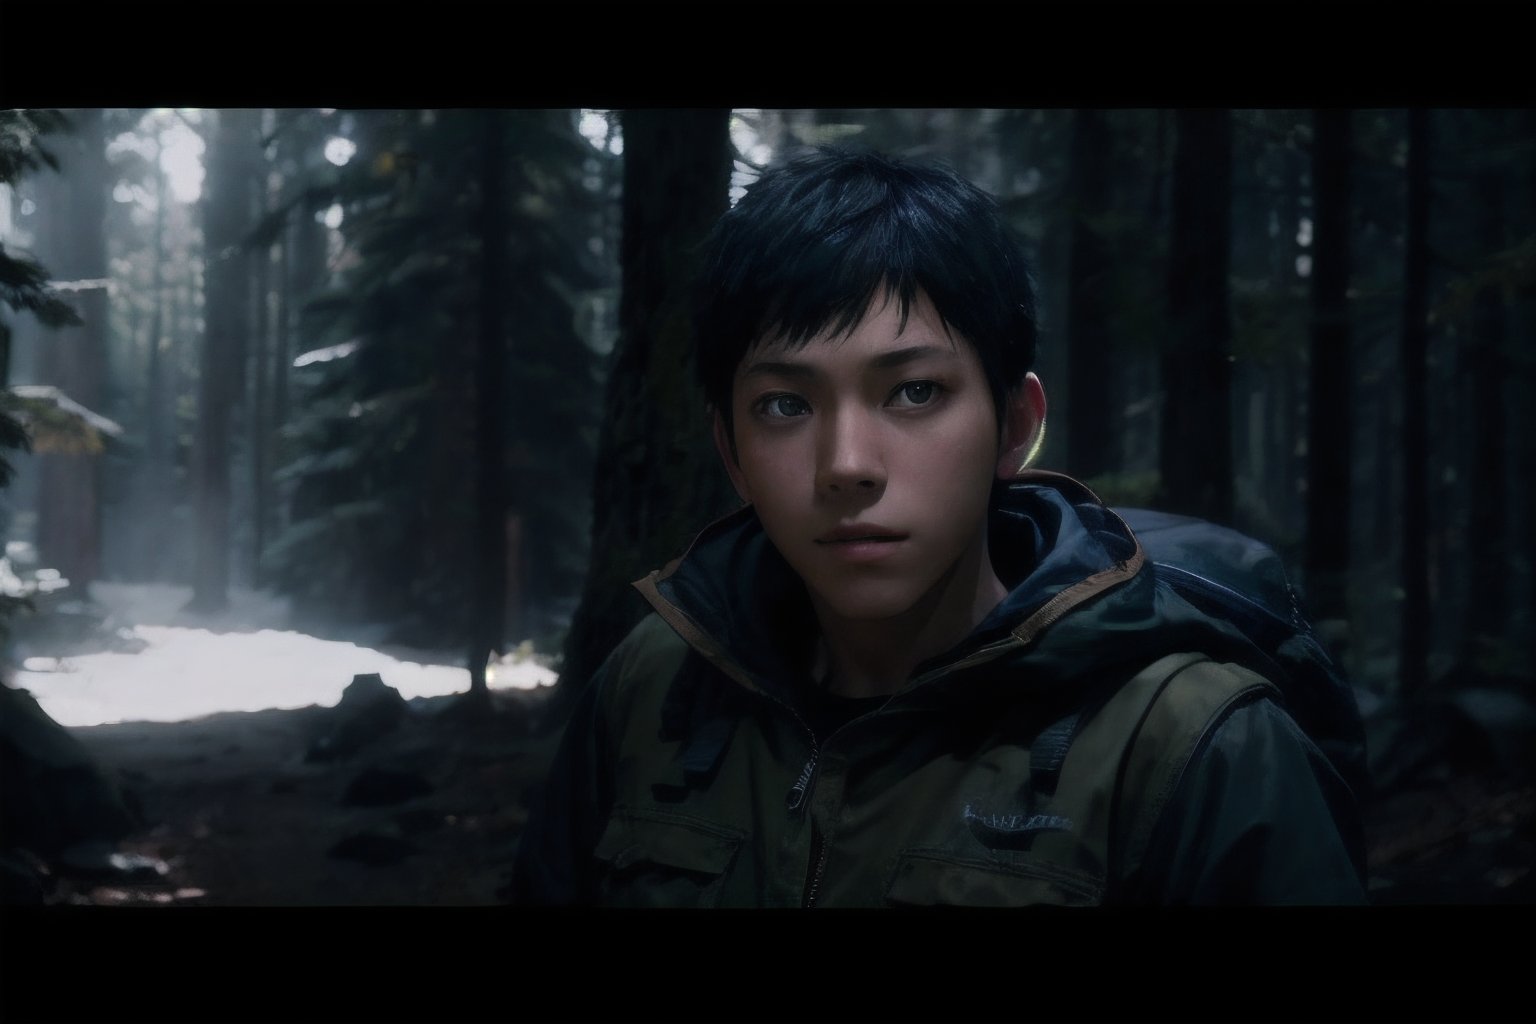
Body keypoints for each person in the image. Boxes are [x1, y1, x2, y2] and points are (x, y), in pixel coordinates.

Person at [508, 147, 1366, 906]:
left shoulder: (1192, 747)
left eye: (914, 391)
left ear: (1014, 425)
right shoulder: (653, 690)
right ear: (730, 451)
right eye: (784, 404)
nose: (847, 463)